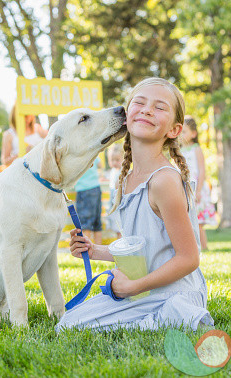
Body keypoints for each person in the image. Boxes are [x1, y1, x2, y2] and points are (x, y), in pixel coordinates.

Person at [56, 77, 214, 332]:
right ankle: (160, 317)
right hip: (146, 287)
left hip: (176, 290)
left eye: (160, 107)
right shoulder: (125, 180)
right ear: (126, 117)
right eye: (139, 103)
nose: (147, 109)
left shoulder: (164, 181)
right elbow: (142, 251)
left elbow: (188, 258)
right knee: (69, 323)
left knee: (72, 327)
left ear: (174, 130)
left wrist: (133, 287)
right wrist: (95, 250)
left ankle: (179, 315)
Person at [180, 116, 216, 251]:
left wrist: (199, 190)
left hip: (197, 188)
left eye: (184, 132)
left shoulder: (196, 149)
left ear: (193, 134)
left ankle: (204, 247)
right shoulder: (178, 151)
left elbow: (202, 170)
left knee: (198, 221)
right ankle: (191, 248)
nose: (181, 135)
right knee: (187, 221)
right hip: (184, 188)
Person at [74, 157, 103, 245]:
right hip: (96, 188)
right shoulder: (92, 152)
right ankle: (99, 250)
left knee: (85, 223)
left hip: (84, 189)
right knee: (97, 223)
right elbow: (100, 165)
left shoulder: (77, 155)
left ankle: (85, 250)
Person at [105, 144, 123, 239]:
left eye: (117, 160)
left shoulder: (123, 172)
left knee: (120, 228)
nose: (114, 162)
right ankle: (119, 245)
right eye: (112, 160)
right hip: (113, 204)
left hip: (120, 205)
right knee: (116, 228)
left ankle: (122, 247)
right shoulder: (113, 171)